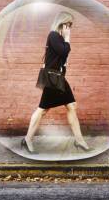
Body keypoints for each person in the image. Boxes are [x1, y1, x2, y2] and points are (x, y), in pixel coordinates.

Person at [22, 11, 90, 153]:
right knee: (42, 110)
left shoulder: (58, 37)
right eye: (68, 24)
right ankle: (27, 139)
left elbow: (63, 55)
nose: (69, 28)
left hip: (59, 78)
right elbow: (63, 51)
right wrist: (68, 38)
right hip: (52, 79)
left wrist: (65, 39)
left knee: (71, 105)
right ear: (61, 23)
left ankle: (79, 140)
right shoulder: (53, 35)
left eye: (71, 25)